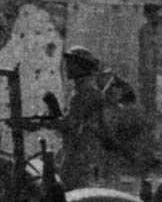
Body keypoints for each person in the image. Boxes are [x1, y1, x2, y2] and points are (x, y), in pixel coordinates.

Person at [24, 46, 106, 190]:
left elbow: (68, 123)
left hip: (82, 155)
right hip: (76, 150)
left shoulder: (86, 92)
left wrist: (38, 124)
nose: (67, 67)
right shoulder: (81, 90)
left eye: (71, 63)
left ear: (82, 66)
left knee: (70, 193)